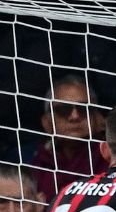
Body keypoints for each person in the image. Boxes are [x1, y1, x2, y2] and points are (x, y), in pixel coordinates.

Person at [26, 75, 109, 203]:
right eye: (64, 110)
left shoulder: (113, 157)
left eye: (83, 109)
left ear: (98, 118)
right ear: (46, 122)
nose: (74, 116)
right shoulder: (31, 162)